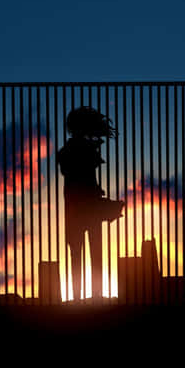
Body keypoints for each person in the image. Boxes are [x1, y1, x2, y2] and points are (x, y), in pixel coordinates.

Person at [57, 106, 124, 302]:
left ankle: (78, 299)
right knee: (94, 252)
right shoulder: (86, 151)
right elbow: (88, 179)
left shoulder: (67, 151)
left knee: (76, 254)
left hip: (74, 208)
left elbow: (72, 177)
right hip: (87, 207)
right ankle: (94, 296)